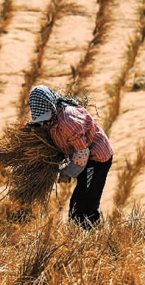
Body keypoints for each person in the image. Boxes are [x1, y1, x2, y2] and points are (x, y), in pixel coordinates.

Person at [28, 85, 113, 229]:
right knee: (81, 200)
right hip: (84, 160)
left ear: (52, 106)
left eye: (46, 115)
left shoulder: (68, 121)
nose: (45, 121)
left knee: (83, 205)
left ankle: (88, 234)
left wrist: (67, 172)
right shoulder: (51, 119)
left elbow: (82, 153)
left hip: (96, 158)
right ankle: (94, 230)